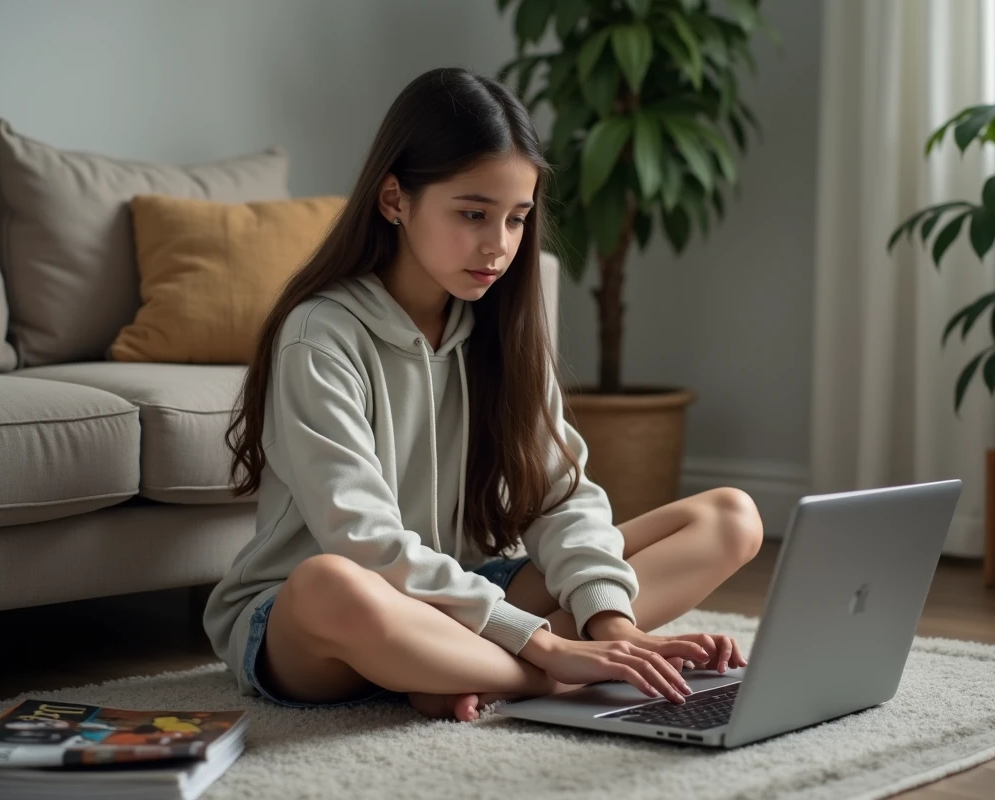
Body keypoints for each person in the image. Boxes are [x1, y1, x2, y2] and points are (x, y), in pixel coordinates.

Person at [202, 66, 764, 723]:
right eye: (473, 214)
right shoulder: (319, 335)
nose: (498, 246)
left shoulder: (503, 329)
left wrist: (611, 620)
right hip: (325, 623)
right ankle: (552, 674)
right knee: (327, 584)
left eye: (517, 219)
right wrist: (543, 642)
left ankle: (486, 666)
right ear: (394, 199)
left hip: (463, 595)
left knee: (730, 517)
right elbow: (361, 542)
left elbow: (562, 498)